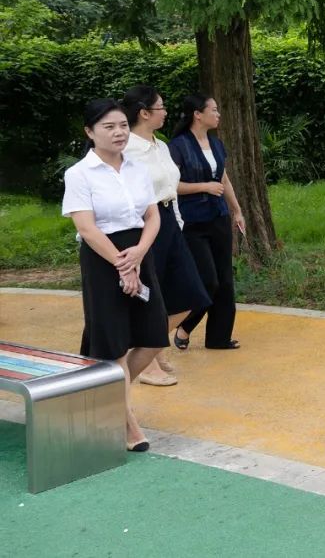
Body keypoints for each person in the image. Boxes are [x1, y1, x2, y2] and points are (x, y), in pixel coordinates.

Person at [62, 98, 168, 451]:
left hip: (139, 251)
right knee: (115, 342)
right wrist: (123, 264)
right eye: (109, 127)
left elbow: (152, 216)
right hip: (103, 257)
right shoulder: (79, 174)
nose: (119, 132)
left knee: (154, 334)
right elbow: (87, 228)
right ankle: (127, 424)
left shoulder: (137, 168)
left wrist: (139, 253)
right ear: (90, 132)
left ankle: (104, 395)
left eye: (122, 125)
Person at [121, 85, 213, 385]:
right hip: (142, 224)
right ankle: (147, 364)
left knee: (190, 294)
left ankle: (152, 348)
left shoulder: (160, 146)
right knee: (148, 296)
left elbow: (170, 188)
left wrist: (177, 223)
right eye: (160, 106)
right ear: (144, 113)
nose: (166, 111)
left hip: (169, 220)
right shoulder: (127, 148)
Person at [168, 94, 245, 350]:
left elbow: (223, 179)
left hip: (219, 217)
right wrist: (203, 186)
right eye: (214, 109)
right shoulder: (178, 146)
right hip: (193, 222)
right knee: (208, 280)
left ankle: (218, 338)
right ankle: (185, 326)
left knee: (225, 281)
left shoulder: (216, 143)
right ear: (197, 114)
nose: (218, 114)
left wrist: (237, 211)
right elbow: (171, 185)